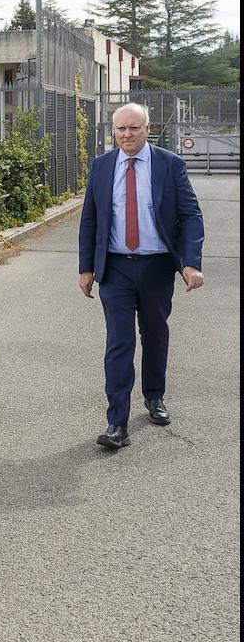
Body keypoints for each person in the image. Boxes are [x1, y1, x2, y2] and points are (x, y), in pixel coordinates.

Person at [78, 103, 204, 450]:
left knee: (154, 334)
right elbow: (90, 218)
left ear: (147, 129)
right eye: (120, 129)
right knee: (119, 342)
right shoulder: (102, 167)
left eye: (134, 128)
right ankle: (117, 422)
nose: (127, 135)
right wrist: (86, 267)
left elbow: (191, 215)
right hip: (116, 268)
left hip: (156, 267)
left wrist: (190, 263)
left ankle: (154, 396)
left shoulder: (169, 164)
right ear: (113, 131)